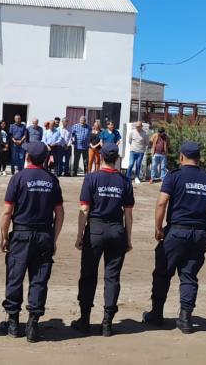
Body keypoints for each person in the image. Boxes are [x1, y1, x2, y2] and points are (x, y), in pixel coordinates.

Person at [142, 142, 206, 334]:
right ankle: (185, 319)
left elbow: (161, 203)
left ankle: (157, 314)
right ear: (199, 158)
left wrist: (158, 228)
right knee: (189, 275)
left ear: (181, 157)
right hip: (199, 234)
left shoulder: (174, 176)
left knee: (163, 273)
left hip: (177, 231)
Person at [0, 142, 65, 342]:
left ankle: (13, 322)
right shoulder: (52, 180)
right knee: (39, 279)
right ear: (45, 159)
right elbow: (60, 213)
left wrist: (4, 236)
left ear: (27, 157)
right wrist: (54, 237)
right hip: (44, 235)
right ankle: (33, 323)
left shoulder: (18, 178)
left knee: (15, 277)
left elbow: (7, 211)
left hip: (21, 234)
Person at [72, 143, 134, 337]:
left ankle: (84, 321)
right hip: (116, 230)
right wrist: (128, 238)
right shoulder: (125, 181)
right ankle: (107, 322)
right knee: (112, 277)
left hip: (96, 230)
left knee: (88, 275)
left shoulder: (91, 178)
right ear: (116, 159)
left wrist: (79, 235)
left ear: (101, 157)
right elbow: (128, 214)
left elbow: (84, 209)